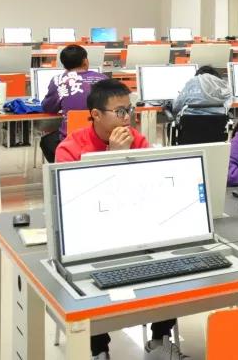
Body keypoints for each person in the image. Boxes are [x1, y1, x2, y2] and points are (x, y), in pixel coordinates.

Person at [54, 80, 180, 359]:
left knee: (172, 261)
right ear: (96, 115)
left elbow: (152, 186)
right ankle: (99, 349)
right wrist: (112, 156)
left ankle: (160, 337)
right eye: (120, 112)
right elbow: (74, 205)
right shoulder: (70, 148)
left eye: (129, 110)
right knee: (87, 278)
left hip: (135, 224)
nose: (127, 119)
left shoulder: (137, 139)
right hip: (90, 231)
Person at [39, 44, 108, 163]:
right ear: (85, 61)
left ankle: (61, 166)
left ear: (64, 65)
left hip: (71, 139)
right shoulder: (104, 79)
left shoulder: (58, 81)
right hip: (102, 137)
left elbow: (48, 108)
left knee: (46, 141)